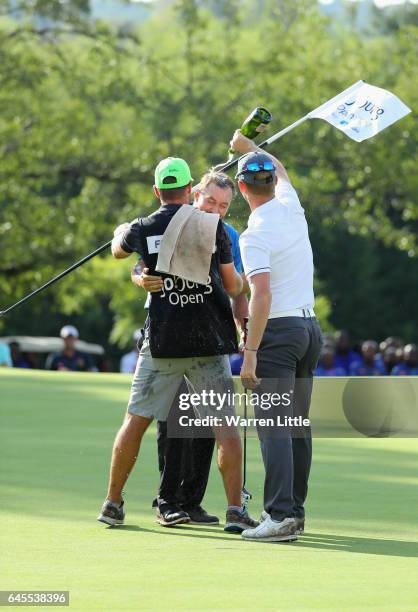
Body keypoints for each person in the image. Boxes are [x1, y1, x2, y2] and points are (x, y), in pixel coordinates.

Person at [98, 157, 257, 533]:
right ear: (190, 191)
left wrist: (123, 234)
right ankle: (235, 510)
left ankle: (113, 503)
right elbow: (232, 286)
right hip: (208, 341)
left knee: (135, 421)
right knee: (226, 427)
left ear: (156, 191)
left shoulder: (143, 226)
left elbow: (119, 251)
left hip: (162, 341)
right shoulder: (213, 227)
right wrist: (246, 285)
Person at [135, 171, 248, 526]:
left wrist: (242, 325)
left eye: (224, 205)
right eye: (210, 201)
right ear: (194, 194)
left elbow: (237, 288)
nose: (216, 209)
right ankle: (167, 500)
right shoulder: (166, 222)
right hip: (166, 334)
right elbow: (140, 263)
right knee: (173, 422)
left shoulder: (227, 235)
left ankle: (192, 501)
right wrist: (140, 277)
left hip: (208, 337)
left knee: (204, 426)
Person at [230, 131, 322, 543]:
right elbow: (280, 168)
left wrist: (250, 352)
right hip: (309, 329)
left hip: (279, 334)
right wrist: (250, 147)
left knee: (274, 427)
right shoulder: (291, 207)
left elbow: (261, 295)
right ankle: (295, 512)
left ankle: (280, 515)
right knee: (296, 425)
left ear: (240, 187)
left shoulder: (253, 236)